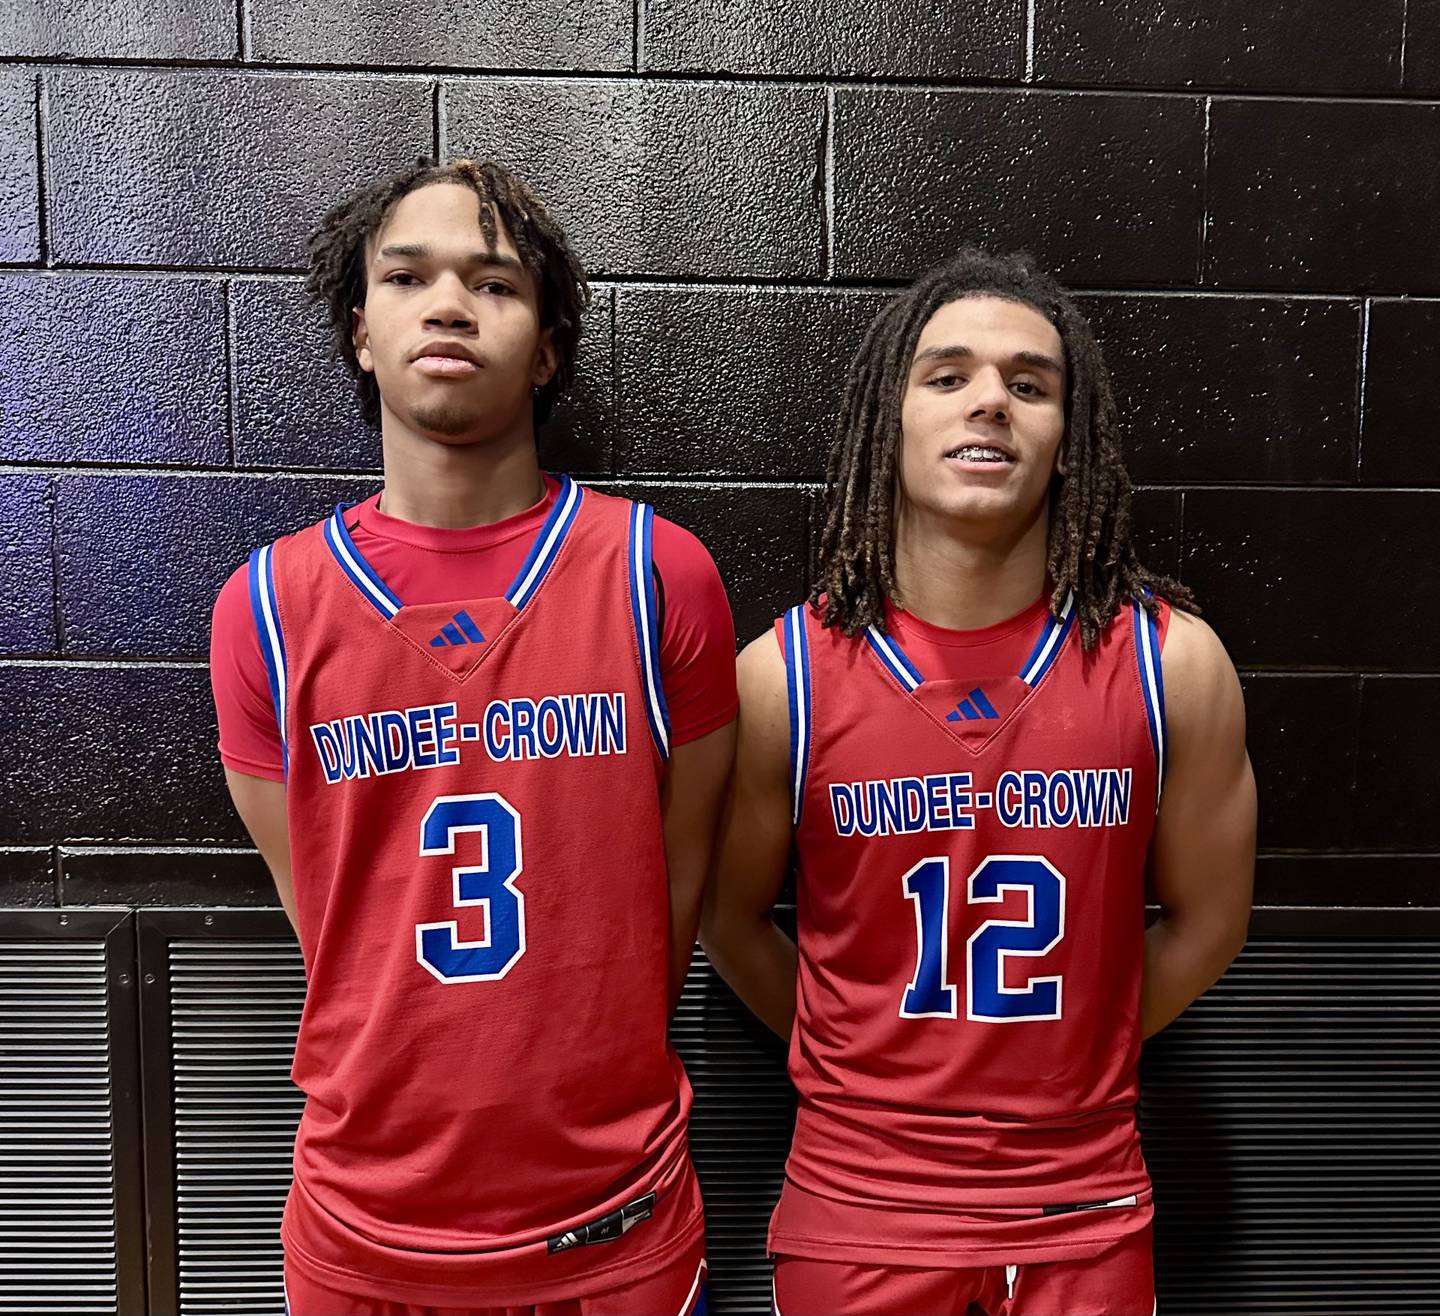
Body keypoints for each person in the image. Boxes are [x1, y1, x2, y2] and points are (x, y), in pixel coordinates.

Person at [208, 157, 735, 1315]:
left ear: (546, 348)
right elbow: (333, 917)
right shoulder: (265, 608)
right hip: (366, 1228)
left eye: (493, 282)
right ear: (360, 330)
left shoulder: (662, 578)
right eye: (408, 275)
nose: (448, 302)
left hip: (613, 1221)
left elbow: (674, 888)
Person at [701, 249, 1255, 1315]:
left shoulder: (1172, 664)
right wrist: (863, 1058)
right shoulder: (784, 678)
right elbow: (730, 920)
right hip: (857, 1206)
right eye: (947, 375)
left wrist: (1074, 1048)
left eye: (1030, 382)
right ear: (888, 420)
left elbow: (1211, 920)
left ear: (1067, 441)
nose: (991, 400)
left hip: (1081, 1208)